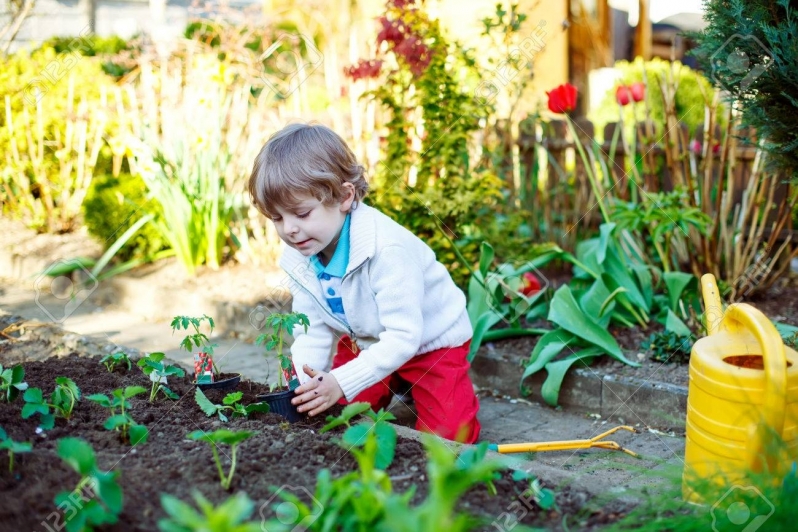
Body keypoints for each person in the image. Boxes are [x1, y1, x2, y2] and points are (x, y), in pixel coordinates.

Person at [248, 123, 481, 443]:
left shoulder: (386, 250)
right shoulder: (303, 253)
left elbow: (404, 337)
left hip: (429, 345)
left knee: (447, 438)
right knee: (333, 412)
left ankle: (431, 387)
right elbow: (311, 328)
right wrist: (304, 388)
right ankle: (393, 381)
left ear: (345, 196)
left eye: (301, 214)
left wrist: (341, 381)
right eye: (277, 218)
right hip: (368, 341)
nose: (289, 229)